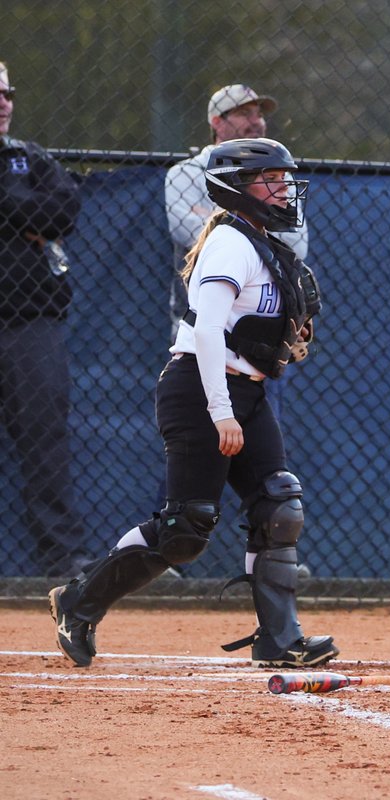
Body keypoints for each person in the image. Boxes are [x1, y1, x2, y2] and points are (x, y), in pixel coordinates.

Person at [50, 137, 336, 669]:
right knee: (186, 529)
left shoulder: (264, 245)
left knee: (278, 506)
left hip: (246, 389)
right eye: (269, 179)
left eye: (283, 178)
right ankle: (78, 601)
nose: (283, 189)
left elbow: (246, 330)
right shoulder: (229, 242)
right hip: (200, 389)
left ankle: (279, 638)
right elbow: (206, 332)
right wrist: (221, 410)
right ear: (236, 189)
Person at [164, 84, 308, 423]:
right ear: (217, 121)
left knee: (264, 450)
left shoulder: (279, 178)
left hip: (264, 338)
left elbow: (297, 245)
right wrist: (254, 220)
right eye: (244, 113)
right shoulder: (184, 174)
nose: (256, 122)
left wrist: (221, 215)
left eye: (259, 114)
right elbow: (183, 229)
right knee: (198, 442)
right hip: (204, 333)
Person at [0, 60, 90, 577]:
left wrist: (10, 200)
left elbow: (63, 211)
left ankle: (62, 555)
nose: (4, 102)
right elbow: (38, 215)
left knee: (44, 439)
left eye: (8, 93)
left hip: (32, 324)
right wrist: (23, 215)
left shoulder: (30, 159)